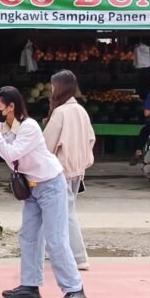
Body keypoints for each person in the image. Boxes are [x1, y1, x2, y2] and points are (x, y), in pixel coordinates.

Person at [0, 87, 89, 298]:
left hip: (51, 185)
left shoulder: (29, 127)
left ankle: (75, 289)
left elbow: (11, 153)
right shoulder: (2, 127)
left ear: (11, 106)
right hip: (31, 188)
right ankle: (30, 286)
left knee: (56, 239)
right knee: (29, 237)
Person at [43, 70, 95, 271]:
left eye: (53, 85)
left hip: (60, 170)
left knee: (66, 212)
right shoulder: (80, 110)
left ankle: (79, 256)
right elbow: (91, 139)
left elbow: (47, 143)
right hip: (77, 169)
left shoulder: (61, 112)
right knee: (59, 211)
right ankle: (51, 250)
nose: (51, 89)